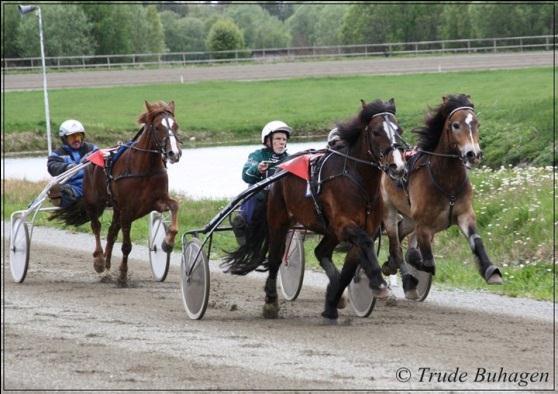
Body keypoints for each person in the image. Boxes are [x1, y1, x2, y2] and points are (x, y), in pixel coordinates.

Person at [232, 120, 292, 244]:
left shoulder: (290, 158)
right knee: (257, 194)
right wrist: (258, 169)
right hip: (259, 194)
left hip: (280, 197)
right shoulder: (257, 155)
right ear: (268, 140)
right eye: (278, 138)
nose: (282, 142)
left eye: (284, 139)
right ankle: (242, 223)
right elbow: (246, 175)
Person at [47, 119, 98, 207]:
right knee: (64, 191)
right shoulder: (58, 153)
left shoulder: (92, 149)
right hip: (73, 186)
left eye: (78, 136)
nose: (76, 140)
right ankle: (58, 198)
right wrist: (67, 167)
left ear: (82, 137)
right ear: (64, 139)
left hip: (93, 185)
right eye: (72, 137)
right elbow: (52, 166)